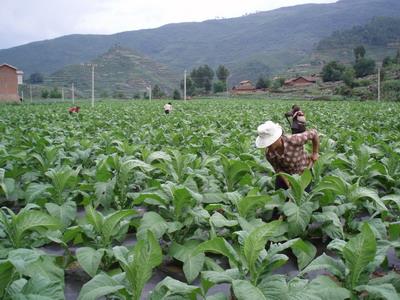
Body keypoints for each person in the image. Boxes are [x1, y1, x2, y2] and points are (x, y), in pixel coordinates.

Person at [255, 121, 319, 189]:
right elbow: (278, 169)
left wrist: (315, 152)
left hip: (303, 174)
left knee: (303, 196)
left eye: (269, 143)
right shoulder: (269, 154)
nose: (267, 146)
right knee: (282, 196)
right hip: (285, 176)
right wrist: (288, 183)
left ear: (277, 138)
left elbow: (314, 133)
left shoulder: (294, 140)